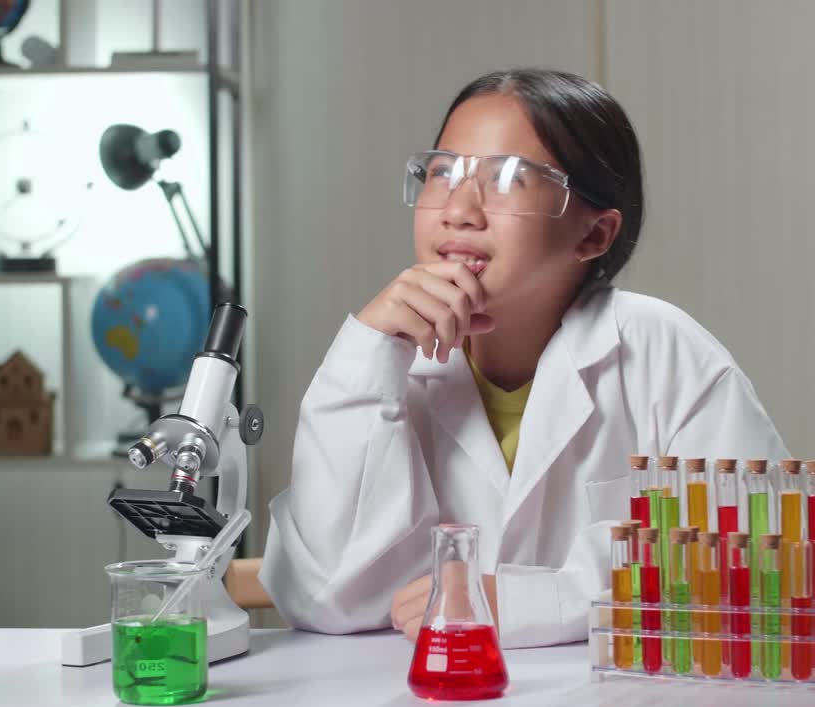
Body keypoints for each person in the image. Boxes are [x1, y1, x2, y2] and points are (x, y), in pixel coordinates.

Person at [260, 68, 788, 648]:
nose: (459, 209)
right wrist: (365, 353)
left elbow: (762, 561)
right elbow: (329, 598)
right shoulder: (385, 366)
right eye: (442, 172)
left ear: (594, 235)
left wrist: (541, 602)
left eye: (509, 178)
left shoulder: (662, 351)